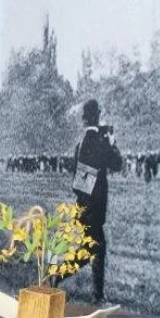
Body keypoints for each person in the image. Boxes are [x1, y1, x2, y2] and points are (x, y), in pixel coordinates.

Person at [71, 99, 122, 304]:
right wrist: (112, 143)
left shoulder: (82, 144)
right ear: (98, 115)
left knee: (91, 250)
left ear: (84, 118)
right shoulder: (100, 143)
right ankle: (97, 296)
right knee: (95, 249)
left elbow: (79, 182)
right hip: (95, 207)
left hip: (85, 205)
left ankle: (57, 275)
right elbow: (117, 164)